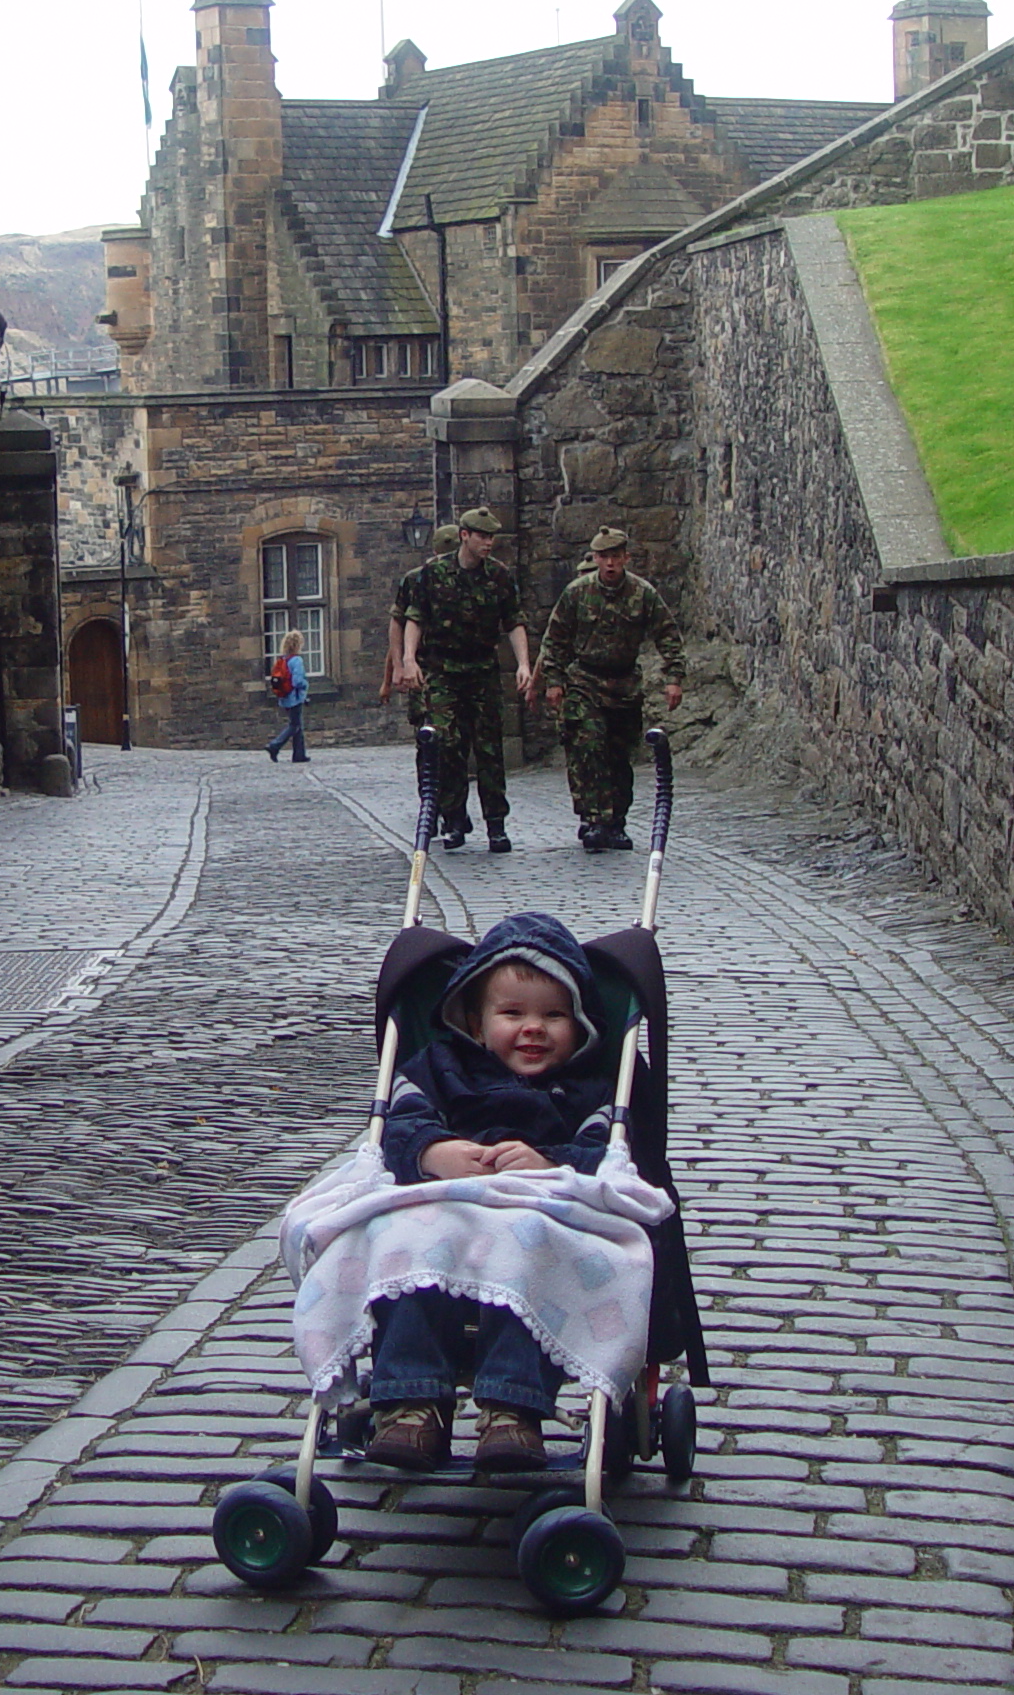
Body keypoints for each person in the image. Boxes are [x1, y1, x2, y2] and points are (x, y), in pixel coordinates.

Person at [363, 911, 615, 1473]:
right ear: (477, 1024)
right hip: (443, 1208)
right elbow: (394, 1131)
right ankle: (411, 1401)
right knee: (405, 1246)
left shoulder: (584, 1090)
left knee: (527, 1249)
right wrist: (434, 1153)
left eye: (554, 1015)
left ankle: (511, 1408)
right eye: (512, 1014)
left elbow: (608, 1158)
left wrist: (551, 1161)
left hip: (535, 1214)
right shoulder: (438, 1068)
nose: (534, 1028)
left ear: (580, 1027)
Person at [536, 526, 685, 852]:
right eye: (604, 557)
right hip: (585, 681)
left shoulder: (642, 594)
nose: (610, 564)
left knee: (619, 755)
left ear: (626, 558)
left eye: (616, 557)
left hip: (624, 685)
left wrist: (674, 677)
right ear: (596, 559)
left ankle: (616, 820)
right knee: (588, 746)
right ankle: (594, 819)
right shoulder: (577, 593)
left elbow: (668, 634)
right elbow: (556, 639)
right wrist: (554, 681)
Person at [396, 507, 532, 853]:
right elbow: (414, 618)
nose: (488, 543)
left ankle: (496, 825)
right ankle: (454, 819)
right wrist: (409, 660)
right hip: (442, 672)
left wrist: (524, 664)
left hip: (482, 670)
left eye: (491, 537)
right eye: (482, 536)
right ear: (464, 536)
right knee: (446, 745)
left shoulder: (499, 576)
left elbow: (514, 621)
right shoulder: (433, 573)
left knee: (489, 748)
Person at [380, 523, 458, 734]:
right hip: (424, 669)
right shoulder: (416, 579)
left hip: (460, 669)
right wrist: (396, 669)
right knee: (430, 733)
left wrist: (391, 676)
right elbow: (399, 626)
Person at [264, 629, 309, 762]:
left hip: (285, 697)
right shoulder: (297, 660)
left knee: (297, 725)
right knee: (294, 725)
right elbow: (297, 681)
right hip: (295, 697)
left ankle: (299, 755)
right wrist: (306, 685)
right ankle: (274, 745)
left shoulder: (283, 659)